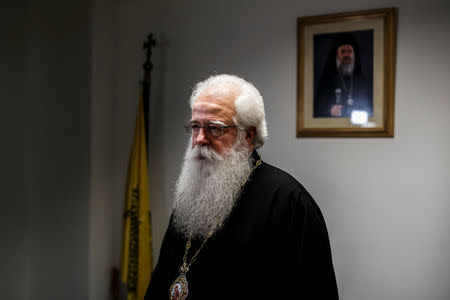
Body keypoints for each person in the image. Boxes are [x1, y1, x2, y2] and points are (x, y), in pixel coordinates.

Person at [145, 74, 339, 300]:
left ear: (248, 135)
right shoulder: (191, 195)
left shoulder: (289, 203)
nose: (198, 139)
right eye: (195, 126)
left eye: (214, 128)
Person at [314, 33, 373, 118]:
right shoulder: (327, 80)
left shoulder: (361, 80)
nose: (346, 55)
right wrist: (329, 110)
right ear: (337, 55)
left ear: (354, 54)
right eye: (343, 51)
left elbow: (368, 107)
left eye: (349, 51)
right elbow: (318, 107)